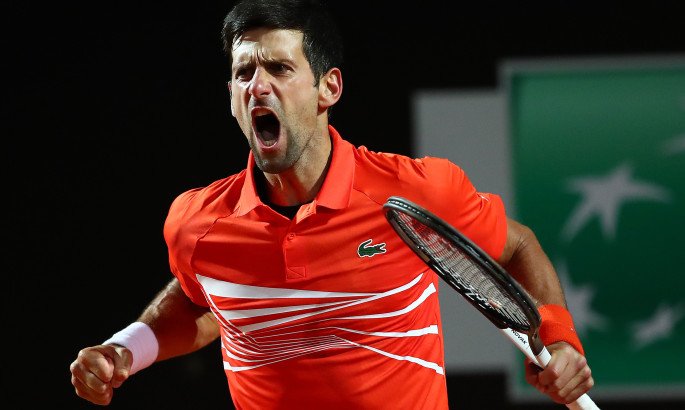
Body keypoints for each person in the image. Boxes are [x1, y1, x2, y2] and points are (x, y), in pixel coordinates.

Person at [69, 0, 594, 408]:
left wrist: (559, 339)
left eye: (279, 68)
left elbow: (516, 245)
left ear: (329, 88)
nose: (258, 86)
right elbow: (202, 302)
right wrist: (123, 350)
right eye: (244, 73)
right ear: (230, 95)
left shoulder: (415, 192)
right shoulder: (197, 223)